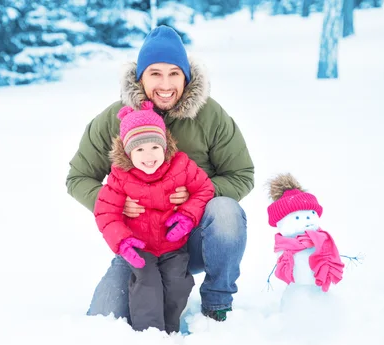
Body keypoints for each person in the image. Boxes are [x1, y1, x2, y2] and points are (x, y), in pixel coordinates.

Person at [66, 25, 254, 322]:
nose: (165, 84)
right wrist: (114, 202)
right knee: (104, 316)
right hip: (140, 243)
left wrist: (196, 198)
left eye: (174, 73)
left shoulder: (209, 115)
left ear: (186, 77)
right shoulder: (112, 119)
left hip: (193, 237)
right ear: (140, 76)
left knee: (227, 211)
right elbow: (78, 178)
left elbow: (241, 173)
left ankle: (217, 301)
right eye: (155, 73)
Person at [94, 101, 215, 333]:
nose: (148, 156)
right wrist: (123, 241)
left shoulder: (181, 166)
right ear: (128, 152)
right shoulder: (120, 176)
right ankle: (151, 335)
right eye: (139, 150)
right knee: (147, 285)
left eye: (154, 148)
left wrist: (187, 216)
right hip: (140, 247)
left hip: (173, 245)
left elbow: (204, 190)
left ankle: (170, 331)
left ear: (165, 146)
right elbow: (105, 212)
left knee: (177, 283)